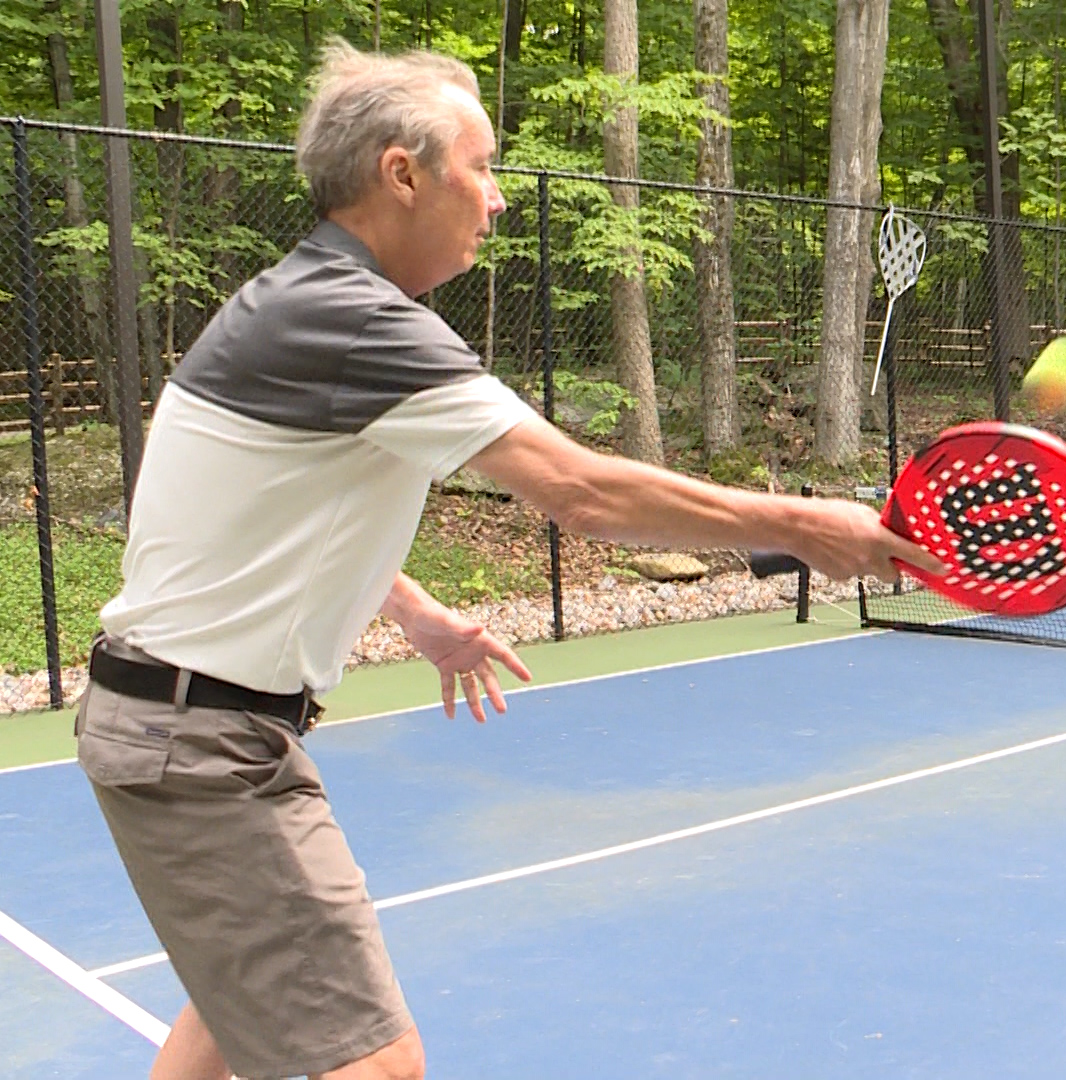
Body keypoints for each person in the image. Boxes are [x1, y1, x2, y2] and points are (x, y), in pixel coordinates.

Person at [76, 42, 944, 1080]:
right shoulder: (357, 323)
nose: (495, 200)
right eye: (480, 168)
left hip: (183, 727)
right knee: (378, 1064)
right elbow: (582, 490)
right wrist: (804, 524)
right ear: (403, 174)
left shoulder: (298, 302)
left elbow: (251, 516)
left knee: (225, 1010)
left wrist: (410, 609)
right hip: (203, 748)